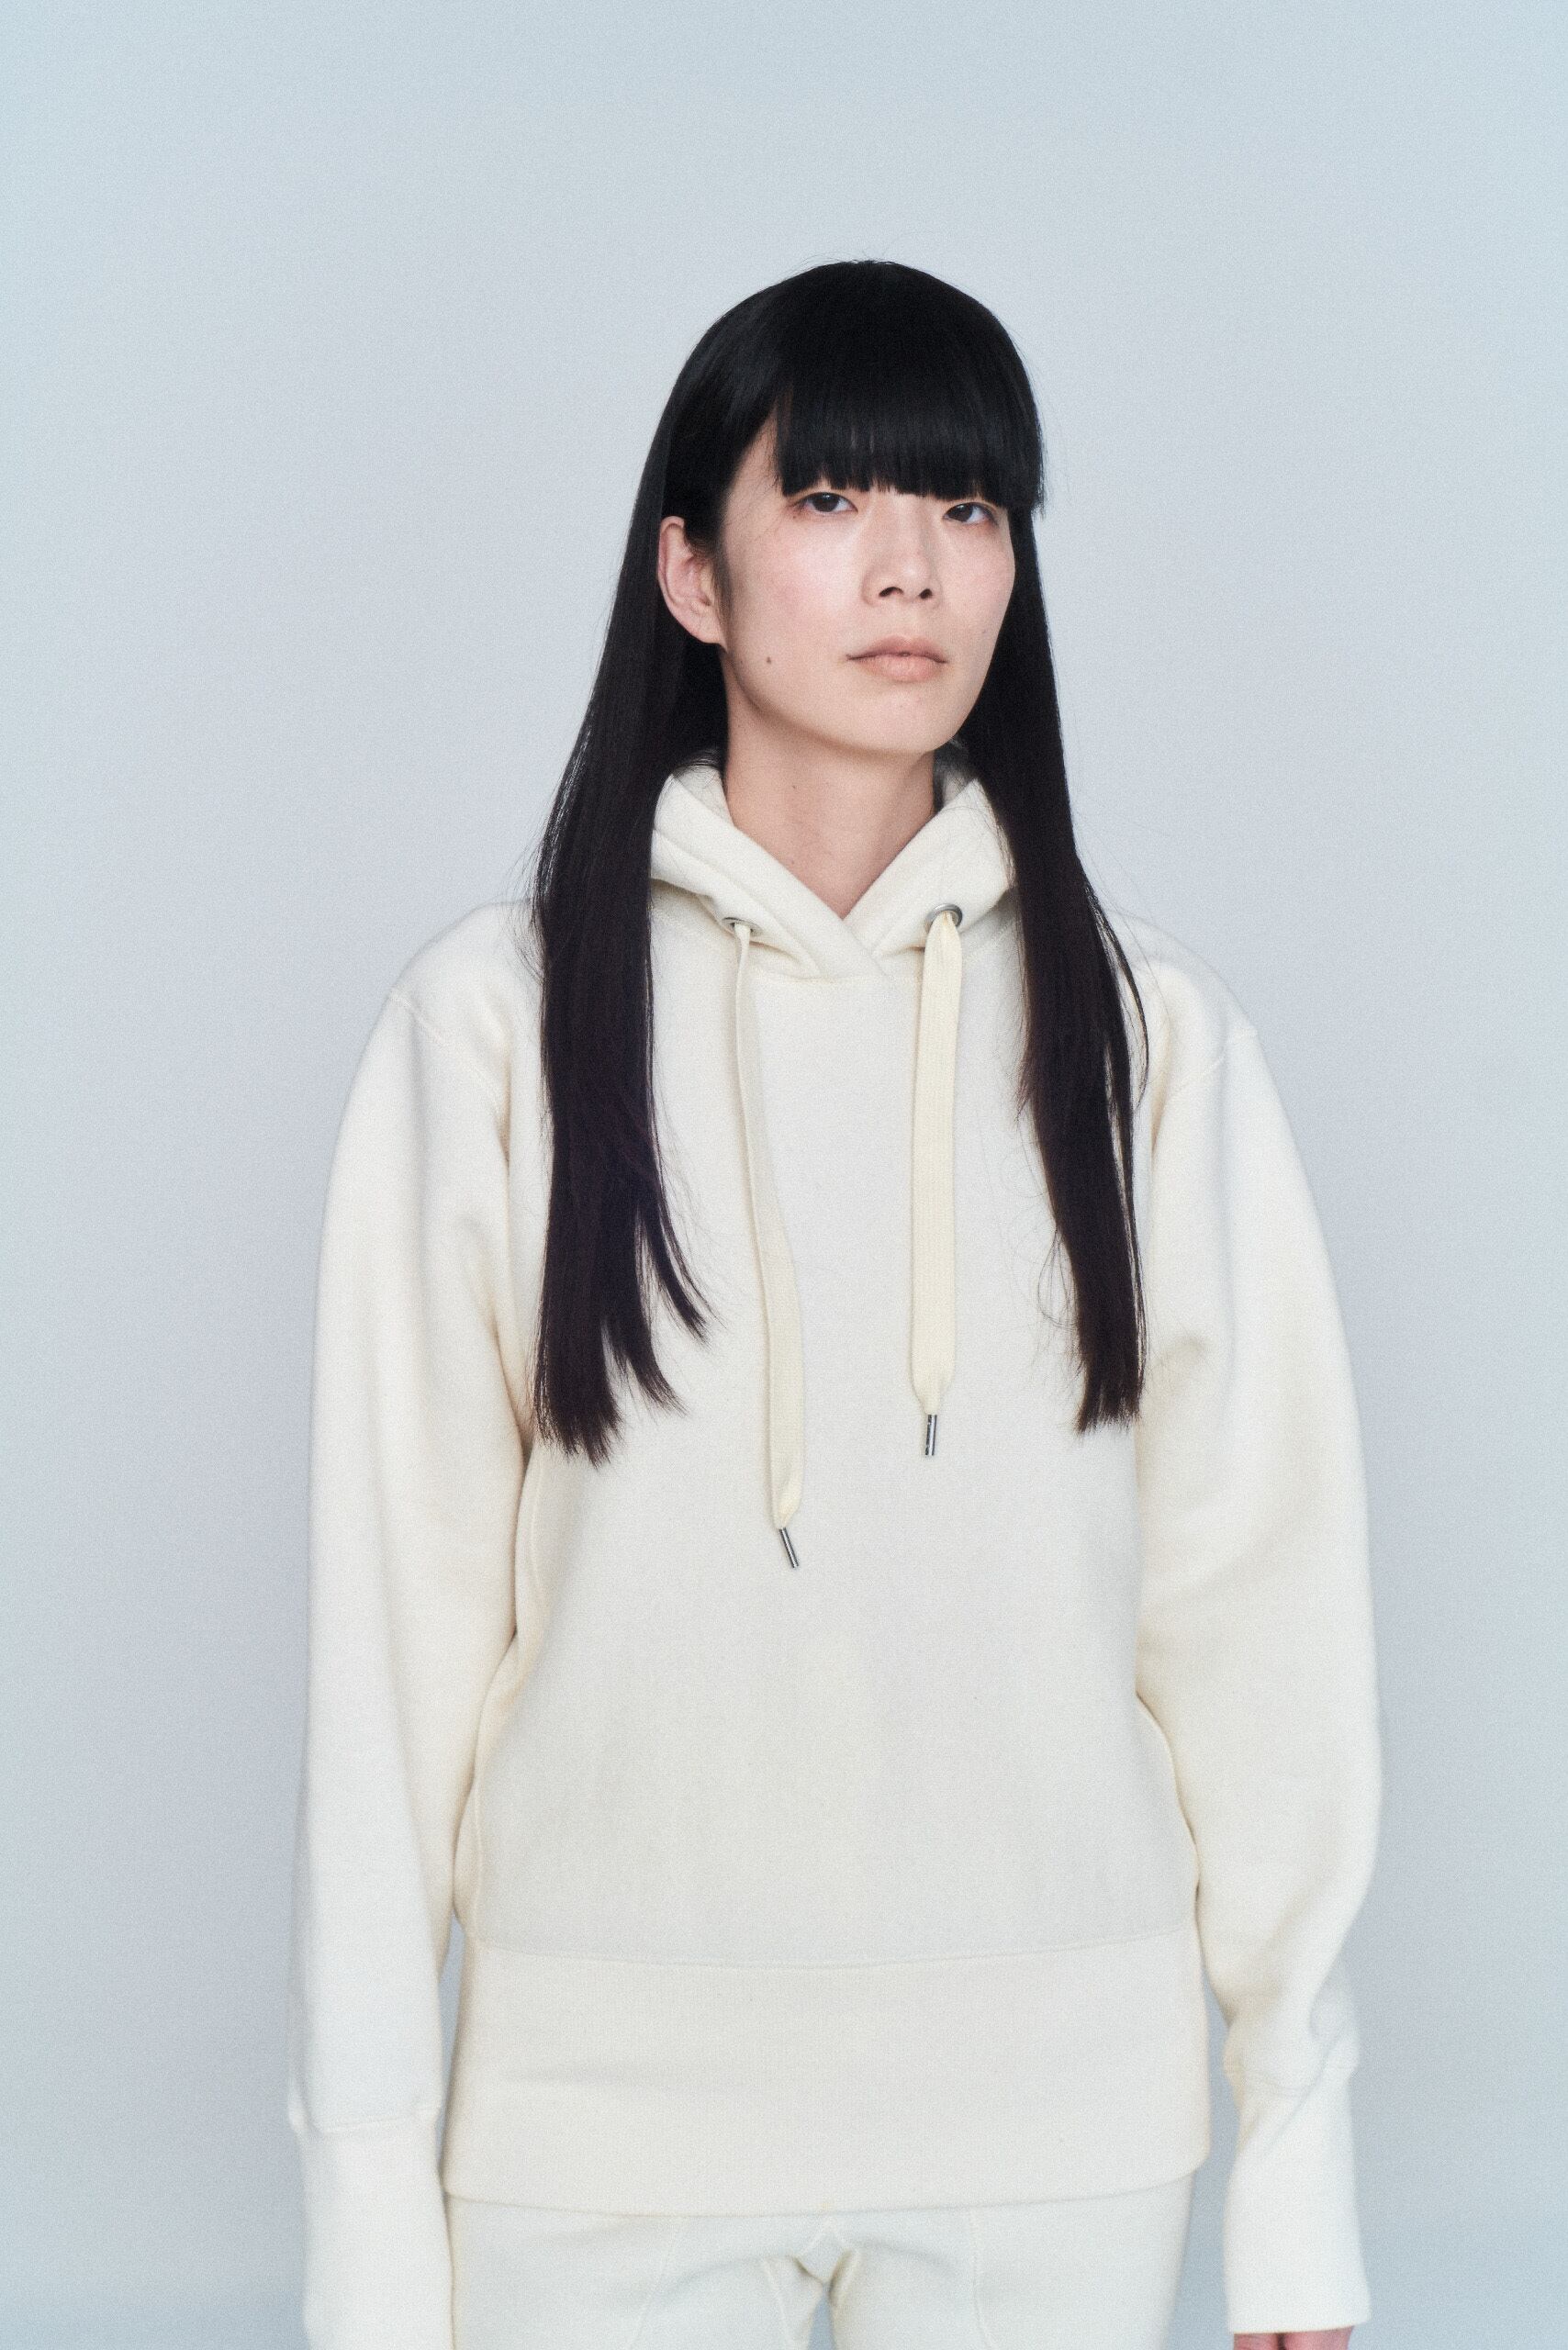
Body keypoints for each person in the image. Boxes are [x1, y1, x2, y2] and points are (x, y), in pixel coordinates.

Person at [286, 259, 1383, 2350]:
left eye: (969, 508)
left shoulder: (1147, 1036)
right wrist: (366, 2222)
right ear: (689, 574)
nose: (913, 569)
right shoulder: (497, 1028)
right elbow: (391, 1659)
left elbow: (1259, 1619)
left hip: (1057, 2124)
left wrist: (1297, 2173)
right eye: (832, 499)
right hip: (599, 2125)